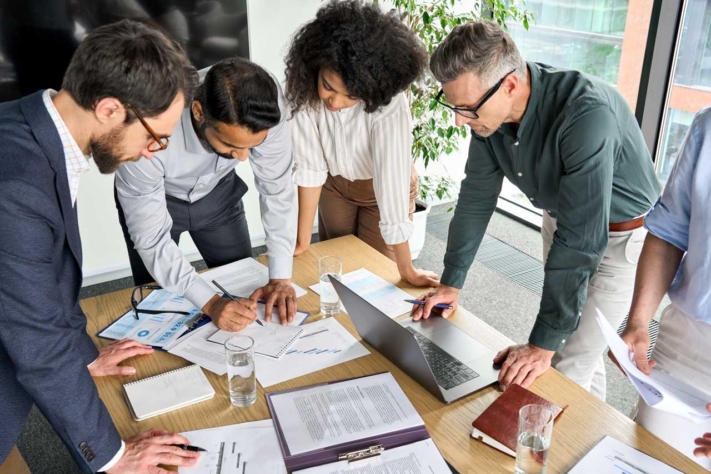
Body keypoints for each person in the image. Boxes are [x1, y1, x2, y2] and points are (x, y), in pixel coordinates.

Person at [413, 21, 661, 400]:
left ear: (510, 85)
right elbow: (477, 195)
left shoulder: (585, 114)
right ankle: (588, 441)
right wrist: (452, 280)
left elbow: (581, 243)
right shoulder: (488, 117)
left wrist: (541, 343)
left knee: (564, 366)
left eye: (467, 108)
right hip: (562, 222)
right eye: (453, 105)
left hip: (621, 240)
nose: (459, 120)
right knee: (582, 356)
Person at [0, 20, 201, 473]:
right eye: (155, 136)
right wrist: (114, 457)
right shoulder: (16, 186)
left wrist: (84, 353)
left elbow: (42, 278)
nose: (154, 151)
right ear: (110, 108)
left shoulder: (31, 130)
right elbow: (36, 341)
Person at [115, 57, 298, 330]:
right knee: (158, 303)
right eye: (231, 144)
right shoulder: (144, 130)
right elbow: (152, 239)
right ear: (198, 111)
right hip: (156, 199)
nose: (244, 158)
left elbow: (278, 188)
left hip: (220, 195)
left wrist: (281, 279)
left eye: (252, 146)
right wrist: (210, 303)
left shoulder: (268, 104)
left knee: (242, 286)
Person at [286, 0, 439, 287]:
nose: (334, 101)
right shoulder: (303, 87)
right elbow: (310, 166)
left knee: (377, 277)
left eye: (351, 96)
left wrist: (406, 269)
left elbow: (391, 182)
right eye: (328, 86)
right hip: (333, 184)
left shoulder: (388, 102)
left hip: (379, 188)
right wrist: (302, 241)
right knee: (336, 271)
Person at [611, 108, 711, 469]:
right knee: (643, 458)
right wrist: (639, 322)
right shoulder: (707, 127)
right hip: (686, 340)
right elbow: (668, 236)